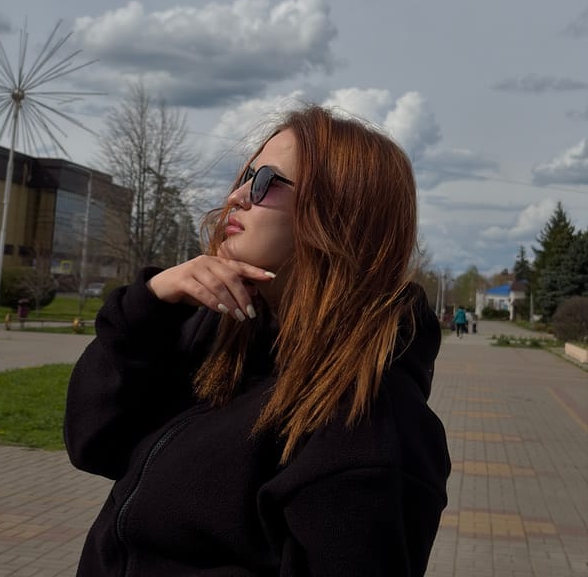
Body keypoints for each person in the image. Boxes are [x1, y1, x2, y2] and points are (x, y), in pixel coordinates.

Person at [64, 104, 451, 577]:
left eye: (266, 180)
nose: (237, 196)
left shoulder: (368, 425)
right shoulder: (222, 335)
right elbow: (94, 443)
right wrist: (150, 304)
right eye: (245, 175)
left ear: (338, 214)